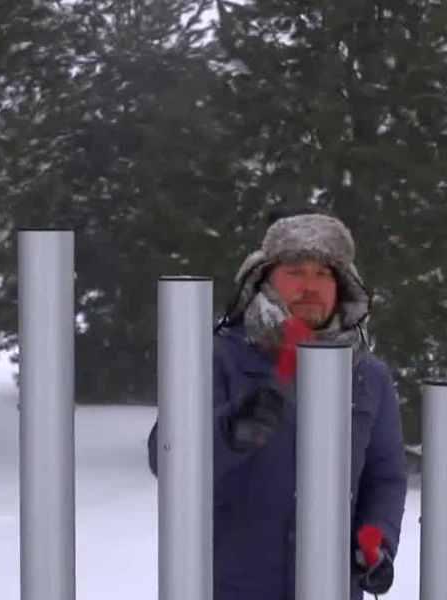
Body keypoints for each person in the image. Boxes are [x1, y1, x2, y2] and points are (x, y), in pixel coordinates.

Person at [147, 210, 407, 600]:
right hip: (228, 588)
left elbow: (385, 477)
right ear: (264, 279)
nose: (311, 285)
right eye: (296, 271)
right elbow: (164, 457)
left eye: (324, 274)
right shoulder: (217, 359)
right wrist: (230, 432)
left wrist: (377, 543)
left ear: (343, 286)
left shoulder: (369, 376)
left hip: (329, 589)